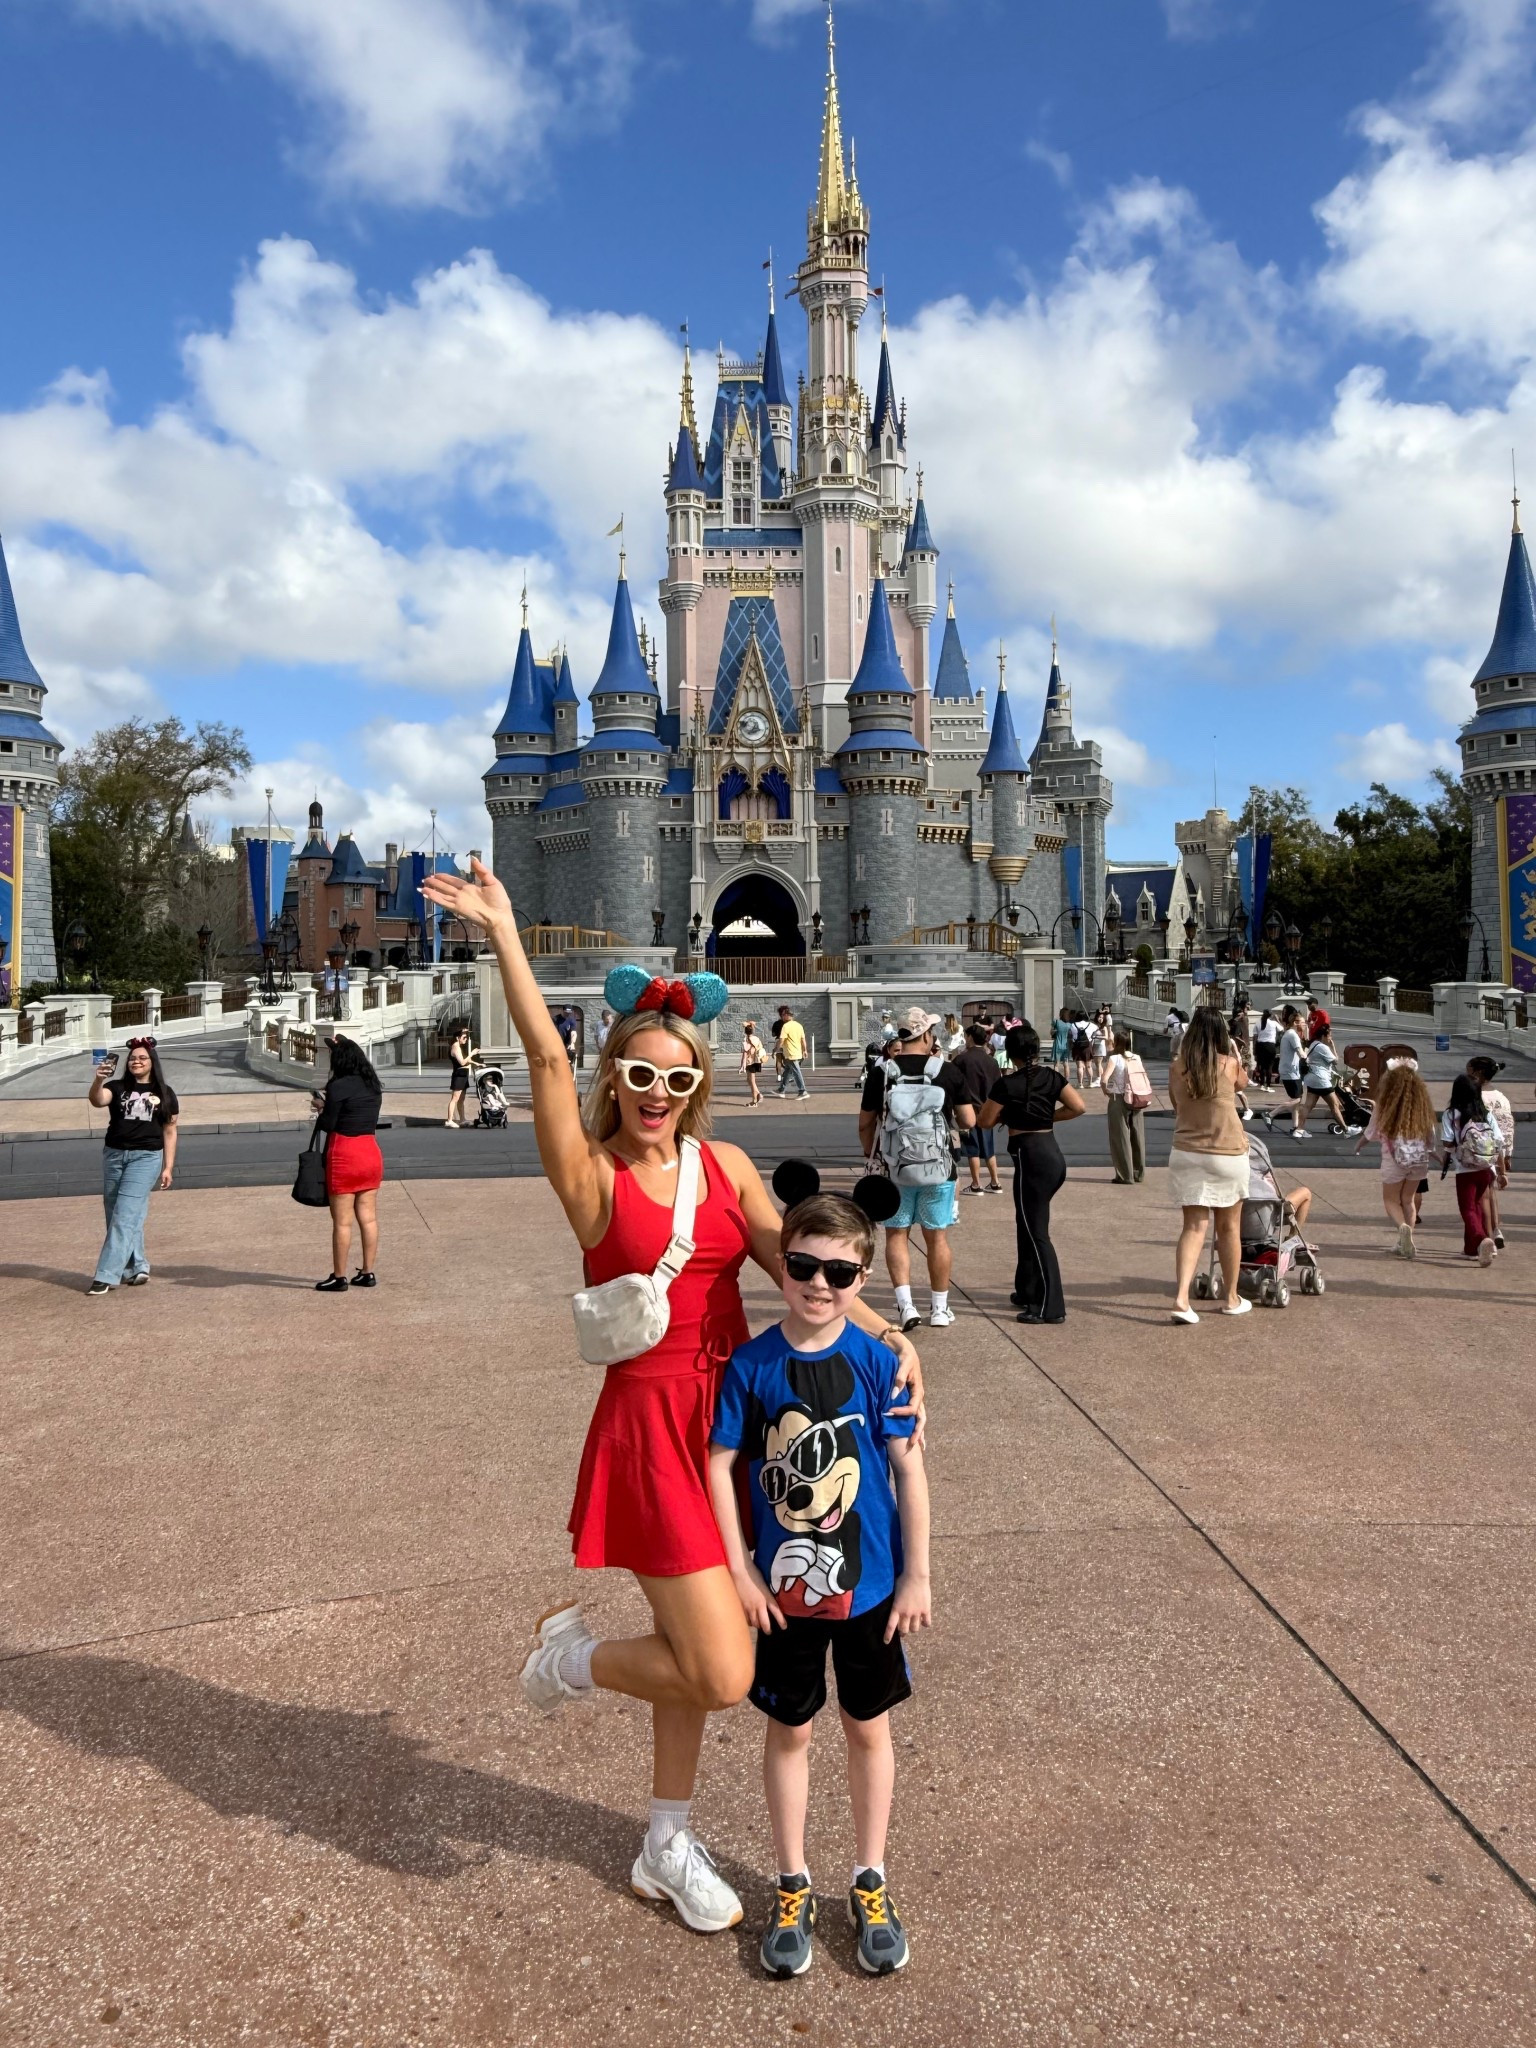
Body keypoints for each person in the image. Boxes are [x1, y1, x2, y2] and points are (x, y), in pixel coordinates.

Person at [420, 857, 923, 1936]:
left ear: (699, 1085)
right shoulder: (592, 1174)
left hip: (733, 1426)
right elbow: (547, 1063)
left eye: (677, 1080)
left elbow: (794, 1267)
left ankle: (664, 1842)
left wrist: (885, 1334)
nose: (657, 1097)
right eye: (640, 1077)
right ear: (618, 1077)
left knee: (692, 1671)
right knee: (725, 1663)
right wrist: (506, 932)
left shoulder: (723, 1163)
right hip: (651, 1428)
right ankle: (567, 1658)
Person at [708, 1190, 930, 1979]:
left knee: (869, 1728)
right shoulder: (754, 1362)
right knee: (791, 1731)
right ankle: (792, 1879)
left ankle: (870, 1877)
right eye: (802, 1265)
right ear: (782, 1264)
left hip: (871, 1593)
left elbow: (910, 1469)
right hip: (781, 1597)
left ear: (863, 1276)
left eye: (839, 1270)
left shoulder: (877, 1362)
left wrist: (917, 1575)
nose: (818, 1282)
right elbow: (721, 1461)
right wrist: (738, 1569)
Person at [858, 1007, 977, 1330]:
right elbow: (968, 1120)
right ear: (925, 1036)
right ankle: (939, 1308)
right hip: (938, 1169)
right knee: (936, 1238)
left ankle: (906, 1306)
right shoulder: (947, 1072)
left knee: (897, 1235)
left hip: (895, 1168)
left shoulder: (882, 1071)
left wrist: (873, 1153)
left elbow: (866, 1123)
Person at [977, 1022, 1086, 1324]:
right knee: (1025, 1223)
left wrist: (1017, 1114)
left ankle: (1049, 1306)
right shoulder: (1052, 1076)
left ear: (1010, 1053)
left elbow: (985, 1121)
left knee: (1037, 1232)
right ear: (1037, 1050)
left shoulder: (1007, 1084)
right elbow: (1078, 1107)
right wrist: (1046, 1115)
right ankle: (1027, 1290)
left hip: (1030, 1157)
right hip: (1050, 1152)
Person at [1166, 1007, 1251, 1324]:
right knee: (1229, 1228)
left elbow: (1177, 1106)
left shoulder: (1178, 1068)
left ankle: (1182, 1299)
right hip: (1227, 1153)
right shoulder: (1229, 1064)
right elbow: (1243, 1084)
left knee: (1192, 1227)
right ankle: (1231, 1297)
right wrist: (1232, 1051)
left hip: (1187, 1152)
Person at [85, 1036, 179, 1296]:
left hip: (146, 1158)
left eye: (142, 1058)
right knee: (118, 1213)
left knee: (125, 1215)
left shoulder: (164, 1093)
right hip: (114, 1156)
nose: (136, 1061)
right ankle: (136, 1266)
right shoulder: (116, 1087)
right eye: (133, 1058)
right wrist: (98, 1079)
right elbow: (97, 1100)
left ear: (152, 1062)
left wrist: (168, 1167)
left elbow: (170, 1130)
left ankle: (106, 1275)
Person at [310, 1034, 384, 1291]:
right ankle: (367, 1272)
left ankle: (339, 1276)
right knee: (369, 1218)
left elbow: (329, 1124)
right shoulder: (373, 1084)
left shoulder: (337, 1086)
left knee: (342, 1222)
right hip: (370, 1151)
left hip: (345, 1153)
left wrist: (321, 1107)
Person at [1354, 1057, 1438, 1259]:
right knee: (1408, 1201)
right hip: (1419, 1159)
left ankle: (1402, 1229)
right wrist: (1435, 1153)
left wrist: (1359, 1145)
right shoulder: (1422, 1105)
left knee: (1391, 1200)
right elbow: (1430, 1134)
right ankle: (1406, 1241)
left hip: (1394, 1159)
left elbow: (1371, 1131)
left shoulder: (1385, 1104)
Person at [1445, 1071, 1505, 1264]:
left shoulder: (1451, 1114)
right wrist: (1501, 1169)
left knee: (1468, 1209)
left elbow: (1447, 1142)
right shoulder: (1486, 1115)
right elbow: (1499, 1141)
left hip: (1465, 1170)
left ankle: (1481, 1240)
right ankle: (1470, 1248)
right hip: (1486, 1168)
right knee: (1477, 1206)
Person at [952, 1022, 1003, 1194]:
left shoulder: (961, 1060)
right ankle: (995, 1182)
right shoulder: (992, 1061)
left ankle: (976, 1184)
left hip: (968, 1109)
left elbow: (954, 1085)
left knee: (972, 1148)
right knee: (989, 1147)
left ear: (970, 1038)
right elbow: (998, 1086)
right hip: (988, 1109)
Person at [1467, 1057, 1513, 1248]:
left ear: (1476, 1073)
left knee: (1483, 1195)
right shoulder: (1501, 1097)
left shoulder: (1477, 1097)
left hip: (1481, 1150)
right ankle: (1496, 1229)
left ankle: (1489, 1234)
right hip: (1500, 1149)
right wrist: (1506, 1156)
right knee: (1490, 1191)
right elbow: (1508, 1126)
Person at [1099, 1027, 1150, 1185]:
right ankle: (1138, 1172)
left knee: (1120, 1137)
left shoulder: (1114, 1059)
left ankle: (1124, 1175)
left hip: (1119, 1098)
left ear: (1117, 1043)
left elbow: (1103, 1079)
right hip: (1136, 1098)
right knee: (1137, 1136)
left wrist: (1106, 1091)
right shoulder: (1137, 1057)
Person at [1295, 1026, 1362, 1140]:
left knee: (1308, 1105)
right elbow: (1335, 1061)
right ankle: (1346, 1130)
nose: (1330, 1038)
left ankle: (1299, 1130)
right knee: (1335, 1105)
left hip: (1312, 1078)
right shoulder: (1322, 1047)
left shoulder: (1313, 1044)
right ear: (1323, 1036)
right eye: (1329, 1036)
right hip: (1321, 1079)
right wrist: (1332, 1046)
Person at [1272, 1005, 1306, 1132]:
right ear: (1296, 1022)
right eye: (1303, 1022)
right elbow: (1301, 1053)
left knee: (1296, 1101)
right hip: (1291, 1072)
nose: (1305, 1025)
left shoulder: (1289, 1033)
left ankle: (1295, 1126)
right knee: (1297, 1099)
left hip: (1290, 1071)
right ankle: (1271, 1114)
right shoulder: (1293, 1035)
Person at [774, 1005, 809, 1099]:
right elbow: (803, 1039)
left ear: (785, 1015)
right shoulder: (799, 1025)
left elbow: (781, 1040)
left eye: (782, 1015)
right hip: (798, 1052)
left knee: (796, 1072)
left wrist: (775, 1050)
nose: (781, 1017)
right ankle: (781, 1090)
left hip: (791, 1053)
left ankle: (803, 1091)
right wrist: (805, 1050)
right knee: (788, 1072)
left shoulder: (786, 1026)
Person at [445, 1024, 475, 1128]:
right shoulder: (455, 1047)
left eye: (467, 1037)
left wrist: (477, 1063)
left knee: (462, 1099)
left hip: (463, 1075)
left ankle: (462, 1119)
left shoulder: (459, 1047)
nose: (466, 1039)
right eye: (464, 1037)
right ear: (458, 1038)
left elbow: (466, 1060)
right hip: (458, 1075)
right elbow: (462, 1062)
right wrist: (472, 1054)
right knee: (455, 1098)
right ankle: (449, 1120)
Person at [740, 1019, 768, 1107]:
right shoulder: (756, 1038)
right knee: (749, 1080)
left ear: (745, 1031)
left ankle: (754, 1101)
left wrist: (742, 1066)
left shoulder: (746, 1040)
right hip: (757, 1061)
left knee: (752, 1082)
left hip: (750, 1062)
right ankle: (759, 1095)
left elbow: (745, 1054)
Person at [1252, 1008, 1279, 1090]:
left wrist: (1254, 1048)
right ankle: (1268, 1084)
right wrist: (1277, 1020)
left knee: (1262, 1066)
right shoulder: (1273, 1023)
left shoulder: (1258, 1023)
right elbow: (1282, 1029)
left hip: (1260, 1045)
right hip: (1270, 1045)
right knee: (1270, 1066)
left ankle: (1262, 1083)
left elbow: (1255, 1037)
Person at [1050, 1008, 1072, 1075]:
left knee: (1056, 1064)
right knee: (1066, 1064)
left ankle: (1057, 1080)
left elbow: (1051, 1032)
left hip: (1057, 1044)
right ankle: (1067, 1080)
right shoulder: (1069, 1025)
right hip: (1066, 1045)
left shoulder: (1056, 1022)